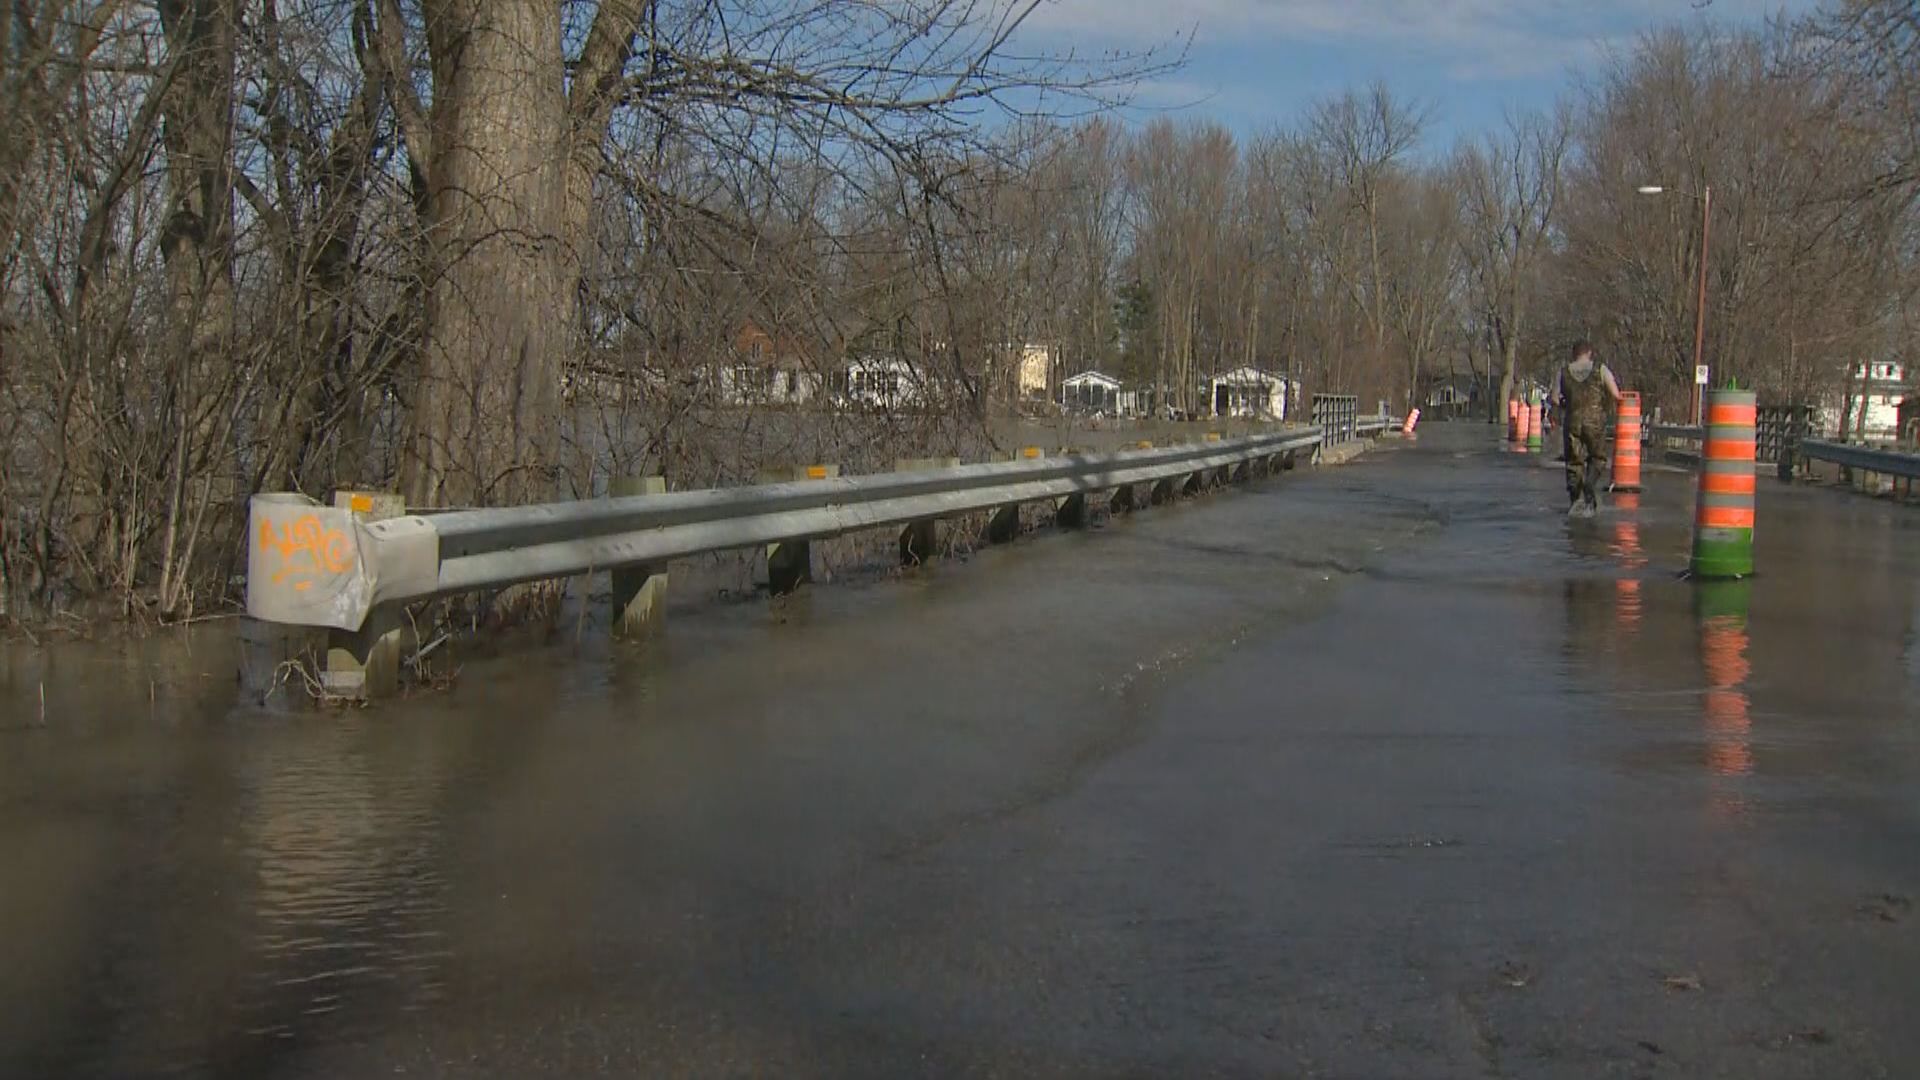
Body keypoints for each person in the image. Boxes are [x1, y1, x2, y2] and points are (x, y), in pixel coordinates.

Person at [1553, 340, 1623, 518]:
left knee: (1573, 462)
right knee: (1598, 458)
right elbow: (1615, 394)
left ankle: (1575, 500)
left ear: (1573, 354)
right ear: (1589, 353)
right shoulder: (1600, 369)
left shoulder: (1563, 372)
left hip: (1573, 421)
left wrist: (1565, 403)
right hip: (1595, 421)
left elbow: (1554, 399)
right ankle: (1590, 485)